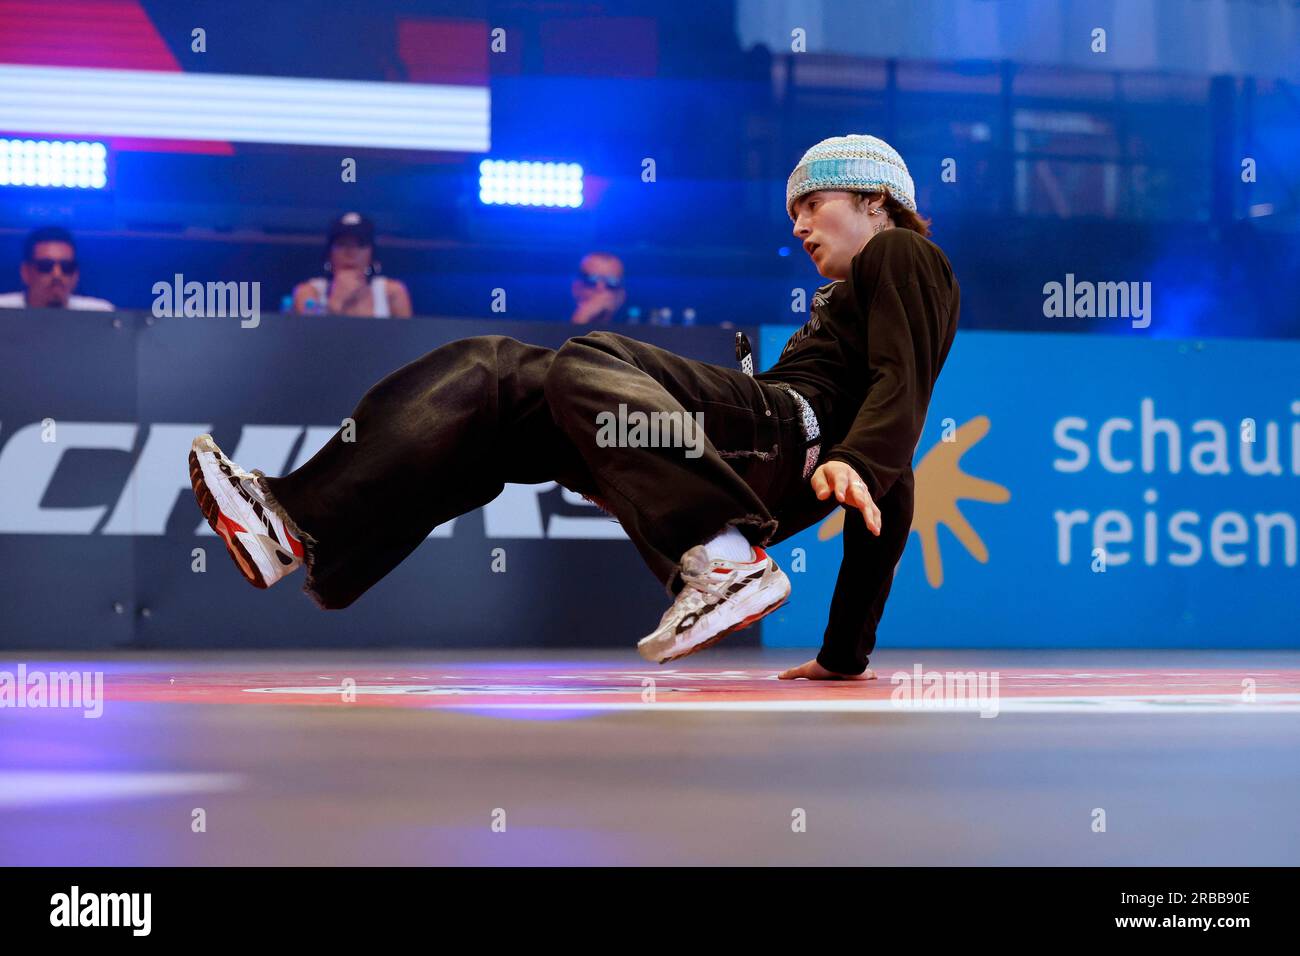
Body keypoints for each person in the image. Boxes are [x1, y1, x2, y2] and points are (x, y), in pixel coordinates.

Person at [188, 134, 959, 679]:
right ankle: (295, 525)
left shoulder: (903, 253)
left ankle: (724, 561)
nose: (797, 226)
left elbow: (905, 385)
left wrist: (860, 456)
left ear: (874, 198)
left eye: (811, 204)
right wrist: (843, 654)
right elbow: (891, 496)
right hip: (761, 455)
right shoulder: (848, 302)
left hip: (784, 434)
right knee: (493, 375)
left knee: (590, 357)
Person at [291, 212, 412, 318]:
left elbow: (407, 340)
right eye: (342, 244)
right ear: (329, 253)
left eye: (360, 245)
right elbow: (308, 338)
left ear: (372, 253)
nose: (351, 253)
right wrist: (336, 302)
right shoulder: (309, 293)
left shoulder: (392, 293)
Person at [0, 226, 114, 311]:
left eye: (66, 267)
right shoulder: (3, 310)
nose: (57, 274)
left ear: (76, 275)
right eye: (46, 266)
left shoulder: (100, 313)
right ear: (25, 272)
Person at [570, 251, 626, 325]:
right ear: (576, 287)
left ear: (622, 294)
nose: (600, 288)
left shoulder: (635, 321)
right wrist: (581, 319)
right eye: (592, 279)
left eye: (611, 282)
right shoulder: (553, 315)